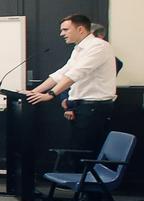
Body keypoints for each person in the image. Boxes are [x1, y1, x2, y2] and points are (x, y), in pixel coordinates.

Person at [26, 13, 119, 153]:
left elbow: (76, 74)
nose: (61, 34)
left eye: (65, 30)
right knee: (76, 150)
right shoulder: (79, 49)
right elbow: (62, 73)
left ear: (80, 29)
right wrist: (35, 91)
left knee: (85, 152)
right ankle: (78, 174)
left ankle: (86, 175)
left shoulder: (99, 46)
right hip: (82, 108)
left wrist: (51, 94)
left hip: (94, 108)